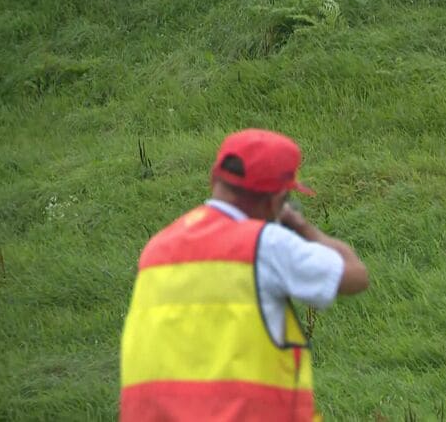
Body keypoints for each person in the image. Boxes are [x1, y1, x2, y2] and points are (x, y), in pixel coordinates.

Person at [119, 129, 369, 421]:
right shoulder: (266, 244)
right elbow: (355, 275)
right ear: (278, 199)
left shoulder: (157, 248)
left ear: (215, 179)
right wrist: (302, 227)